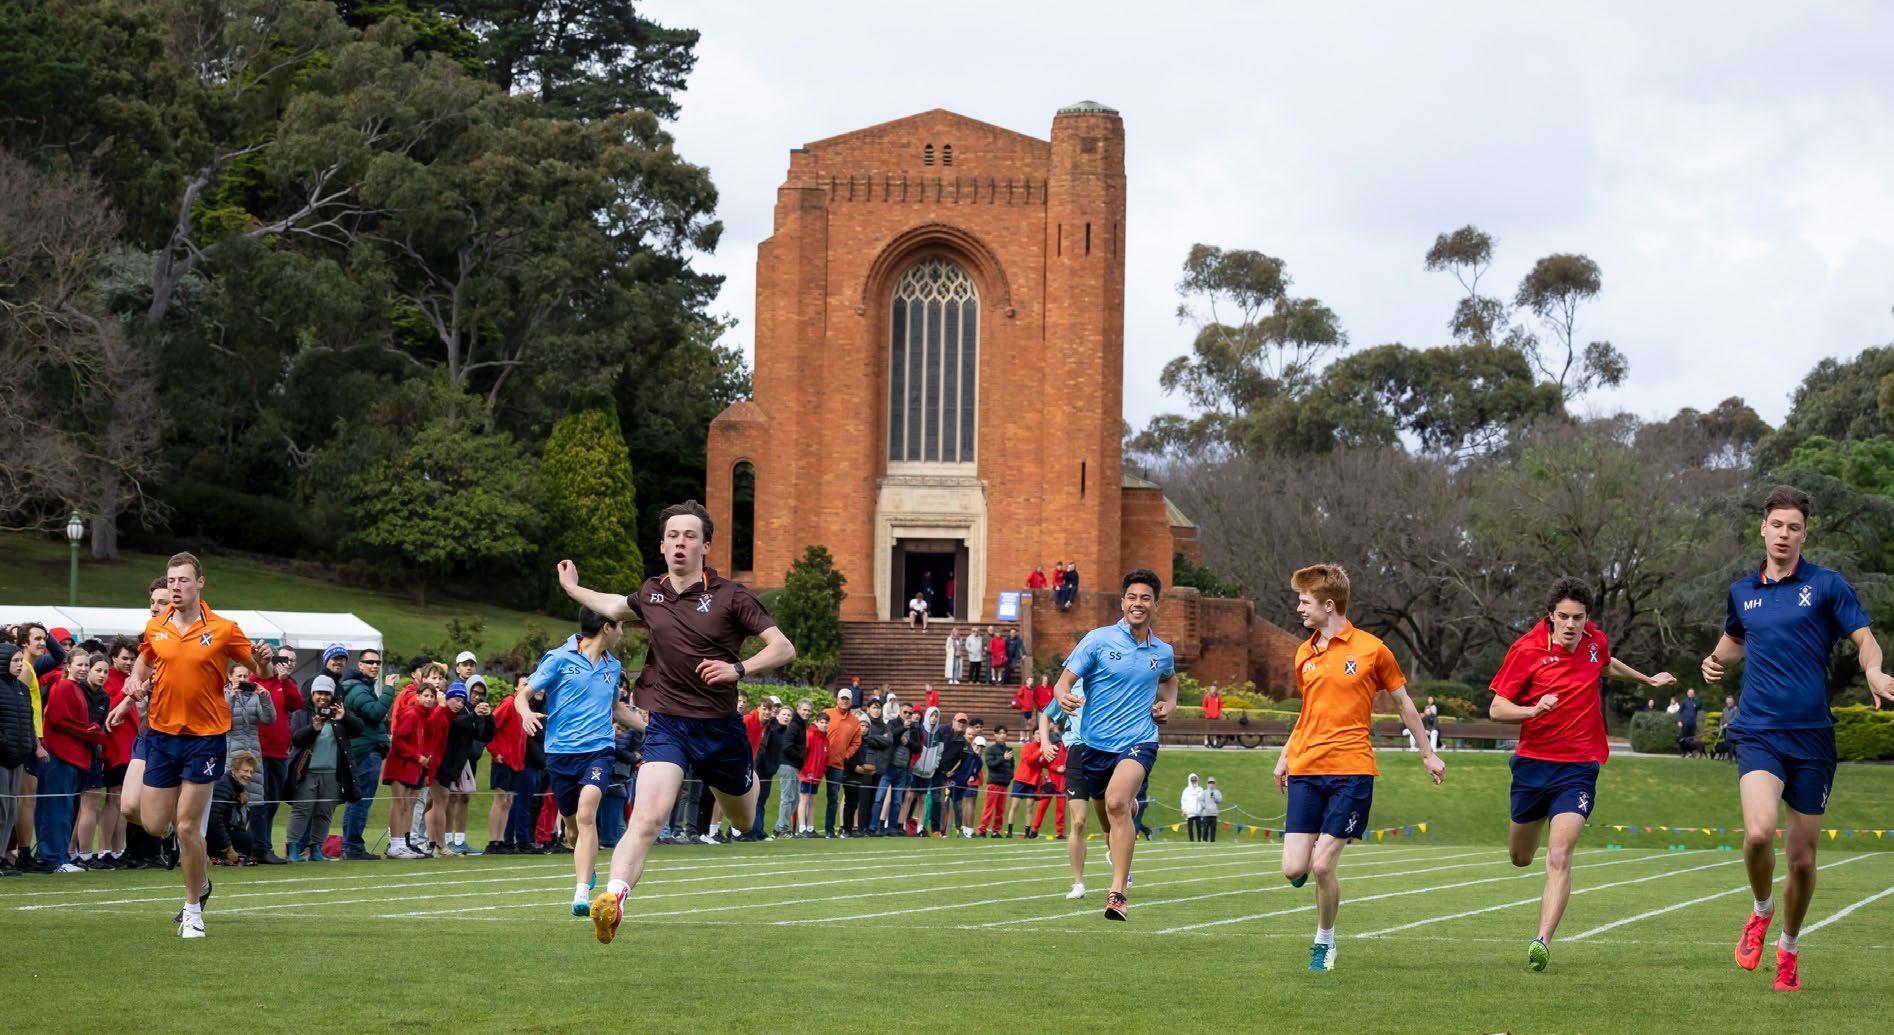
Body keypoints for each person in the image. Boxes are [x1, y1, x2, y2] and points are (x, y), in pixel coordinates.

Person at [555, 500, 797, 943]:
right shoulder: (652, 593)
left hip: (719, 728)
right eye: (672, 536)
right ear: (663, 546)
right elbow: (614, 604)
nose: (680, 542)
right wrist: (573, 588)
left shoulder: (731, 596)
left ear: (705, 546)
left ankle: (740, 786)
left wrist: (738, 669)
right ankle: (613, 898)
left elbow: (783, 647)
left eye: (689, 535)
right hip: (668, 724)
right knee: (646, 819)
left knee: (745, 821)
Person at [1704, 485, 1892, 993]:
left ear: (1805, 534)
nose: (1784, 534)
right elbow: (1735, 639)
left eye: (1794, 527)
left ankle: (1788, 946)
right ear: (1762, 529)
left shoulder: (1827, 585)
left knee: (1803, 859)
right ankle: (1761, 910)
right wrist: (1715, 660)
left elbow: (1866, 639)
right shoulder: (1742, 591)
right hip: (1759, 730)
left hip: (1812, 738)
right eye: (1777, 525)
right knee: (1758, 833)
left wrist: (1874, 671)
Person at [1488, 575, 1675, 972]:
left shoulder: (1594, 641)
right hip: (1532, 765)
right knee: (1520, 857)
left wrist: (1646, 679)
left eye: (1578, 617)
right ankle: (1529, 847)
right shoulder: (1526, 650)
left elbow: (1605, 665)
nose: (1571, 625)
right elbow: (1497, 708)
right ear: (1550, 616)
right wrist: (1533, 710)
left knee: (1559, 854)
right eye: (1564, 617)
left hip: (1579, 767)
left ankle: (1542, 941)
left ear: (1587, 617)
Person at [1275, 563, 1445, 971]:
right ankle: (1310, 866)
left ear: (1328, 605)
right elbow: (1308, 712)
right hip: (1306, 768)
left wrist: (1427, 753)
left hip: (1351, 770)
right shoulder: (1304, 652)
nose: (1299, 608)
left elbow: (1405, 705)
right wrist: (1284, 756)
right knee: (1293, 868)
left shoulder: (1373, 649)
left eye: (1305, 601)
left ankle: (1325, 941)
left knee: (1322, 865)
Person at [107, 552, 266, 938]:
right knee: (152, 823)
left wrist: (262, 661)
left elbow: (257, 669)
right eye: (171, 580)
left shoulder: (224, 629)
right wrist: (134, 685)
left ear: (199, 583)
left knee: (187, 826)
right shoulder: (156, 626)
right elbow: (144, 661)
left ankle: (193, 908)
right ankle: (202, 879)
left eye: (182, 580)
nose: (175, 587)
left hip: (205, 738)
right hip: (161, 736)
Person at [1055, 568, 1178, 921]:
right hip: (1094, 745)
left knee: (1116, 802)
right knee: (1110, 817)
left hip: (1140, 739)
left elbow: (1170, 682)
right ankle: (1126, 809)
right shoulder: (1097, 640)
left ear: (1156, 605)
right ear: (1122, 602)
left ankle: (1118, 893)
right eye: (1132, 597)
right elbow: (1063, 682)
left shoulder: (1163, 651)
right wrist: (1063, 696)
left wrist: (1168, 705)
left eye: (1146, 598)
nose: (1138, 604)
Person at [519, 607, 640, 915]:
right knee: (573, 829)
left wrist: (651, 729)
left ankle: (581, 894)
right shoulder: (558, 658)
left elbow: (617, 709)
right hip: (561, 753)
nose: (622, 632)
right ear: (605, 627)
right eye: (620, 626)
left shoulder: (613, 666)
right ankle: (586, 864)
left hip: (599, 750)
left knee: (587, 814)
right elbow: (523, 695)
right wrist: (525, 713)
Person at [38, 651, 107, 872]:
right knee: (58, 808)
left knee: (65, 808)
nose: (84, 669)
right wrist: (90, 731)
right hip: (62, 756)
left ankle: (59, 856)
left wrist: (90, 731)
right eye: (80, 665)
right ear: (68, 665)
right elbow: (59, 718)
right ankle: (54, 859)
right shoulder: (64, 687)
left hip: (72, 757)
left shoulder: (73, 687)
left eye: (87, 665)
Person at [284, 673, 363, 861]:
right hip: (307, 772)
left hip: (333, 773)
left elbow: (359, 728)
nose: (323, 697)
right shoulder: (302, 713)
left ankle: (316, 848)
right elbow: (295, 739)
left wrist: (344, 718)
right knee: (302, 810)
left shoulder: (338, 712)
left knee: (325, 812)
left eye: (327, 693)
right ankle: (293, 847)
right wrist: (313, 729)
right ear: (312, 694)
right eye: (319, 693)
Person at [253, 644, 307, 865]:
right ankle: (259, 847)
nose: (289, 664)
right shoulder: (258, 679)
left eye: (292, 660)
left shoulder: (287, 684)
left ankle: (263, 846)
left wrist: (284, 681)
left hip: (279, 752)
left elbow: (297, 704)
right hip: (258, 751)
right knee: (259, 802)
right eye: (284, 659)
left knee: (273, 801)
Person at [381, 678, 441, 859]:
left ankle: (403, 844)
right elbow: (398, 739)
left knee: (407, 805)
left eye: (432, 696)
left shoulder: (423, 716)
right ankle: (395, 845)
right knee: (399, 804)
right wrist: (417, 756)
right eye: (426, 695)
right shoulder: (411, 713)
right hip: (400, 766)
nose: (429, 699)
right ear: (418, 696)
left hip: (412, 766)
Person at [223, 661, 274, 861]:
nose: (243, 680)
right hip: (231, 754)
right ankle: (229, 849)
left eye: (246, 676)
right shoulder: (223, 694)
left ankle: (259, 850)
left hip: (253, 753)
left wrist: (265, 698)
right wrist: (232, 697)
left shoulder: (253, 696)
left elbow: (269, 719)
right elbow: (223, 722)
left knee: (256, 801)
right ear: (230, 677)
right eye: (239, 676)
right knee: (231, 801)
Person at [340, 648, 387, 860]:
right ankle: (353, 847)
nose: (374, 665)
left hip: (365, 749)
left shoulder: (361, 687)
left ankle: (351, 845)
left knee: (358, 799)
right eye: (369, 662)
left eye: (377, 662)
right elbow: (375, 713)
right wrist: (389, 690)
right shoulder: (359, 688)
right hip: (366, 750)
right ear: (360, 665)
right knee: (361, 799)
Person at [0, 643, 36, 877]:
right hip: (2, 758)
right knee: (1, 809)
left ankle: (2, 856)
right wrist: (5, 744)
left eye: (20, 661)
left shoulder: (21, 689)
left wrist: (29, 744)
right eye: (15, 660)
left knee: (10, 810)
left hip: (17, 759)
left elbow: (28, 720)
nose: (19, 665)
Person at [484, 671, 528, 854]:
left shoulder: (524, 707)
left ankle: (501, 840)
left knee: (508, 801)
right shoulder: (509, 703)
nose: (528, 687)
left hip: (515, 761)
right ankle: (492, 841)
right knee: (499, 799)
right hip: (503, 759)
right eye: (524, 684)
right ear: (516, 687)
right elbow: (490, 726)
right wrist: (494, 752)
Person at [823, 688, 863, 837]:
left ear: (851, 701)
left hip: (837, 764)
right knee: (808, 794)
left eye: (847, 699)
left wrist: (846, 755)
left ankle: (829, 830)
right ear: (837, 699)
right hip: (820, 761)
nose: (844, 701)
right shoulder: (827, 713)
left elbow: (856, 742)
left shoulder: (854, 721)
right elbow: (815, 730)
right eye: (842, 698)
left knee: (833, 798)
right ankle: (804, 828)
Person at [206, 751, 259, 865]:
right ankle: (216, 855)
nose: (249, 775)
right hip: (210, 834)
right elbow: (214, 819)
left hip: (223, 830)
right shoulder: (223, 785)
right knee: (244, 839)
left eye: (251, 772)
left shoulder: (236, 786)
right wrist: (228, 847)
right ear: (234, 770)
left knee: (245, 839)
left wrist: (240, 794)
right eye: (245, 771)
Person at [776, 699, 810, 837]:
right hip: (787, 764)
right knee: (788, 798)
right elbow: (787, 745)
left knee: (795, 799)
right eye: (804, 710)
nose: (806, 712)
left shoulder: (801, 724)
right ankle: (782, 829)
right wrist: (800, 757)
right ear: (798, 709)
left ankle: (780, 827)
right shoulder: (794, 725)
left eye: (808, 710)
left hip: (794, 766)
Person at [975, 725, 1013, 837]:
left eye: (1004, 733)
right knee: (989, 808)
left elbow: (1012, 765)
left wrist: (1010, 776)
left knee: (1000, 810)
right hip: (994, 783)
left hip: (1004, 784)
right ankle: (982, 830)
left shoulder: (1009, 749)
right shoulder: (991, 750)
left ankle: (996, 831)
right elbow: (991, 764)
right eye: (1000, 733)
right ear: (995, 735)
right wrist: (1003, 758)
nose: (1002, 735)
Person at [797, 711, 829, 837]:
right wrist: (805, 770)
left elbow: (825, 757)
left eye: (826, 723)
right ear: (816, 722)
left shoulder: (826, 739)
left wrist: (821, 772)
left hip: (817, 776)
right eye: (822, 722)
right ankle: (802, 828)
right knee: (804, 799)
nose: (824, 725)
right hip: (806, 774)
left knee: (812, 800)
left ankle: (810, 827)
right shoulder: (810, 735)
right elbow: (803, 754)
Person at [1182, 773, 1205, 841]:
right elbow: (1183, 801)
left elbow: (1203, 800)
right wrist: (1184, 810)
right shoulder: (1186, 790)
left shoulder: (1200, 789)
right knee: (1190, 828)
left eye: (1195, 780)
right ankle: (1191, 841)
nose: (1194, 782)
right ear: (1190, 781)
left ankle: (1199, 840)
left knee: (1199, 827)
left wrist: (1202, 809)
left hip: (1198, 812)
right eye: (1192, 780)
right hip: (1190, 812)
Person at [1201, 776, 1223, 841]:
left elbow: (1219, 800)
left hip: (1214, 814)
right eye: (1210, 782)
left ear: (1215, 783)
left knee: (1213, 829)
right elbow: (1200, 800)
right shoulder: (1204, 792)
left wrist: (1214, 797)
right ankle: (1204, 841)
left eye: (1212, 782)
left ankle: (1212, 842)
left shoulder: (1217, 792)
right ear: (1207, 783)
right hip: (1206, 814)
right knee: (1205, 829)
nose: (1211, 784)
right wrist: (1204, 806)